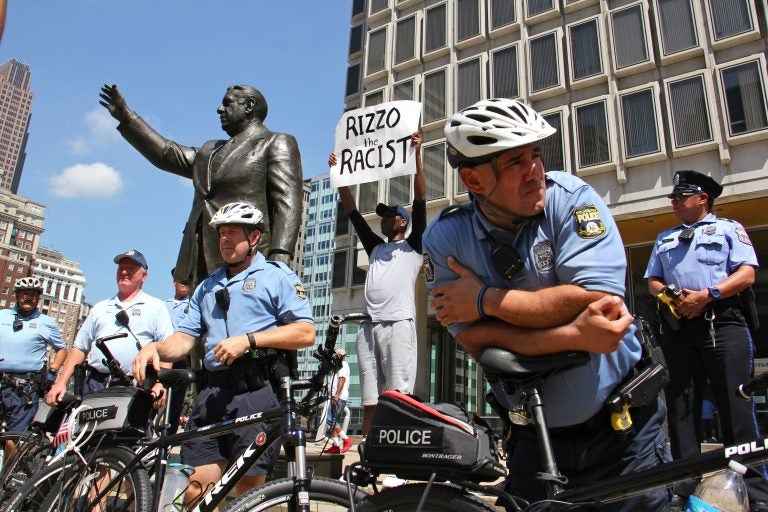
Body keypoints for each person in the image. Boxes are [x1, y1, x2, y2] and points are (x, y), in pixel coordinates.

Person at [422, 98, 669, 511]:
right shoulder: (446, 238)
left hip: (623, 433)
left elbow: (598, 301)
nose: (534, 171)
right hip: (533, 438)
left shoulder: (572, 199)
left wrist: (484, 299)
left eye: (536, 155)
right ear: (475, 180)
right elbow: (477, 342)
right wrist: (573, 333)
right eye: (516, 162)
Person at [132, 201, 315, 505]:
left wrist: (249, 340)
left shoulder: (277, 276)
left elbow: (305, 332)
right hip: (212, 392)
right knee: (196, 491)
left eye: (233, 233)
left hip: (256, 391)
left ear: (254, 237)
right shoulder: (207, 286)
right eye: (221, 234)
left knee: (249, 489)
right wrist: (155, 347)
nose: (225, 240)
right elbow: (184, 339)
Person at [645, 169, 768, 508]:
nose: (673, 201)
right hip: (680, 326)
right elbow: (653, 279)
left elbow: (746, 273)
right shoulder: (664, 237)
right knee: (681, 408)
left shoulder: (730, 229)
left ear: (703, 198)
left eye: (680, 195)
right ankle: (683, 486)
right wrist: (675, 298)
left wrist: (708, 295)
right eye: (672, 196)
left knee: (736, 407)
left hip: (723, 322)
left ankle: (755, 492)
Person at [99, 84, 303, 286]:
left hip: (247, 261)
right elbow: (166, 154)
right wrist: (126, 117)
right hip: (200, 261)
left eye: (227, 103)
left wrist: (279, 258)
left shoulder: (275, 142)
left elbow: (287, 202)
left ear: (249, 106)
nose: (219, 109)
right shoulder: (209, 150)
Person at [329, 131, 425, 435]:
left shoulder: (414, 247)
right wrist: (339, 174)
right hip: (368, 327)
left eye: (391, 216)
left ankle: (397, 462)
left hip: (398, 324)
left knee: (398, 395)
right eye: (383, 216)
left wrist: (417, 155)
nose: (384, 219)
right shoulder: (376, 248)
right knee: (370, 398)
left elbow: (421, 199)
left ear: (404, 222)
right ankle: (368, 455)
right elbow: (352, 213)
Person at [46, 250, 172, 406]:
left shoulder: (156, 307)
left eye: (131, 268)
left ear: (144, 276)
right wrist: (61, 382)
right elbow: (79, 348)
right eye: (121, 268)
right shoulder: (100, 308)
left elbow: (167, 349)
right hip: (94, 385)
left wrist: (161, 383)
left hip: (135, 387)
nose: (124, 272)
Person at [0, 277, 66, 432]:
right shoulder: (2, 315)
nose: (28, 297)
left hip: (25, 387)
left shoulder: (47, 322)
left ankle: (13, 456)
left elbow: (62, 349)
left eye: (33, 294)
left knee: (14, 437)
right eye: (24, 293)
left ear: (38, 298)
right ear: (17, 295)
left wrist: (53, 371)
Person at [164, 268, 193, 434]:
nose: (184, 283)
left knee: (175, 403)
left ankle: (169, 438)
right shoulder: (162, 306)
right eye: (180, 279)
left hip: (181, 359)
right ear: (173, 282)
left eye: (188, 280)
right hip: (161, 358)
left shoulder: (192, 305)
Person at [323, 348, 352, 454]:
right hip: (336, 397)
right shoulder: (338, 366)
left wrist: (336, 395)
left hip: (338, 397)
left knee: (331, 420)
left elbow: (342, 380)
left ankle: (346, 440)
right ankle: (335, 446)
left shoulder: (343, 365)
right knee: (335, 422)